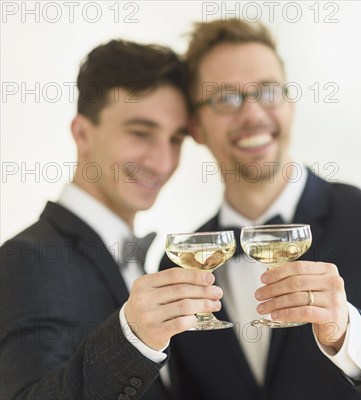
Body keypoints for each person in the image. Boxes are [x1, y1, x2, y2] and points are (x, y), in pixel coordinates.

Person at [159, 20, 361, 399]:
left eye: (267, 91)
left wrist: (348, 332)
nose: (252, 114)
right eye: (226, 98)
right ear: (196, 128)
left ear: (290, 104)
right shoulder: (178, 269)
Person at [0, 40, 224, 399]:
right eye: (140, 133)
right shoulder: (28, 258)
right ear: (82, 134)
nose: (162, 162)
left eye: (175, 140)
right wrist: (133, 339)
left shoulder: (157, 263)